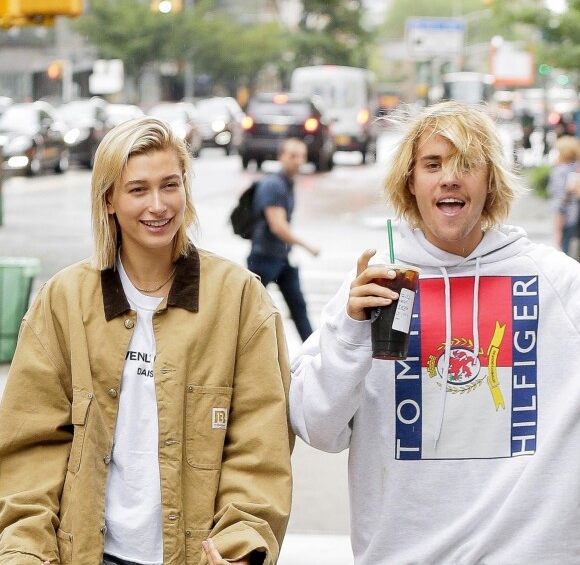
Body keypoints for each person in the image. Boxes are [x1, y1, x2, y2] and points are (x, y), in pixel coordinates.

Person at [289, 100, 580, 563]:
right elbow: (319, 428)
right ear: (411, 181)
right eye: (432, 164)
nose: (450, 177)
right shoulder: (374, 285)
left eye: (467, 164)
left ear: (490, 181)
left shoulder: (559, 284)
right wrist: (349, 333)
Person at [0, 117, 293, 565]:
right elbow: (30, 447)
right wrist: (26, 553)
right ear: (109, 200)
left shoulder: (239, 299)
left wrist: (242, 547)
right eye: (138, 190)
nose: (158, 205)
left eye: (169, 185)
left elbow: (260, 444)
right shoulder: (64, 301)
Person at [248, 137, 319, 342]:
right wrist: (307, 246)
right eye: (293, 156)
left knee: (298, 306)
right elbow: (277, 226)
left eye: (301, 156)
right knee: (249, 311)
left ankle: (314, 352)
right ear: (281, 157)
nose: (298, 161)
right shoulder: (274, 185)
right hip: (264, 257)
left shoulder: (287, 183)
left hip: (282, 258)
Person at [547, 134, 580, 257]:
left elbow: (560, 203)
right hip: (576, 220)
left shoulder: (560, 172)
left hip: (568, 221)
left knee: (567, 258)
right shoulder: (576, 169)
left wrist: (557, 230)